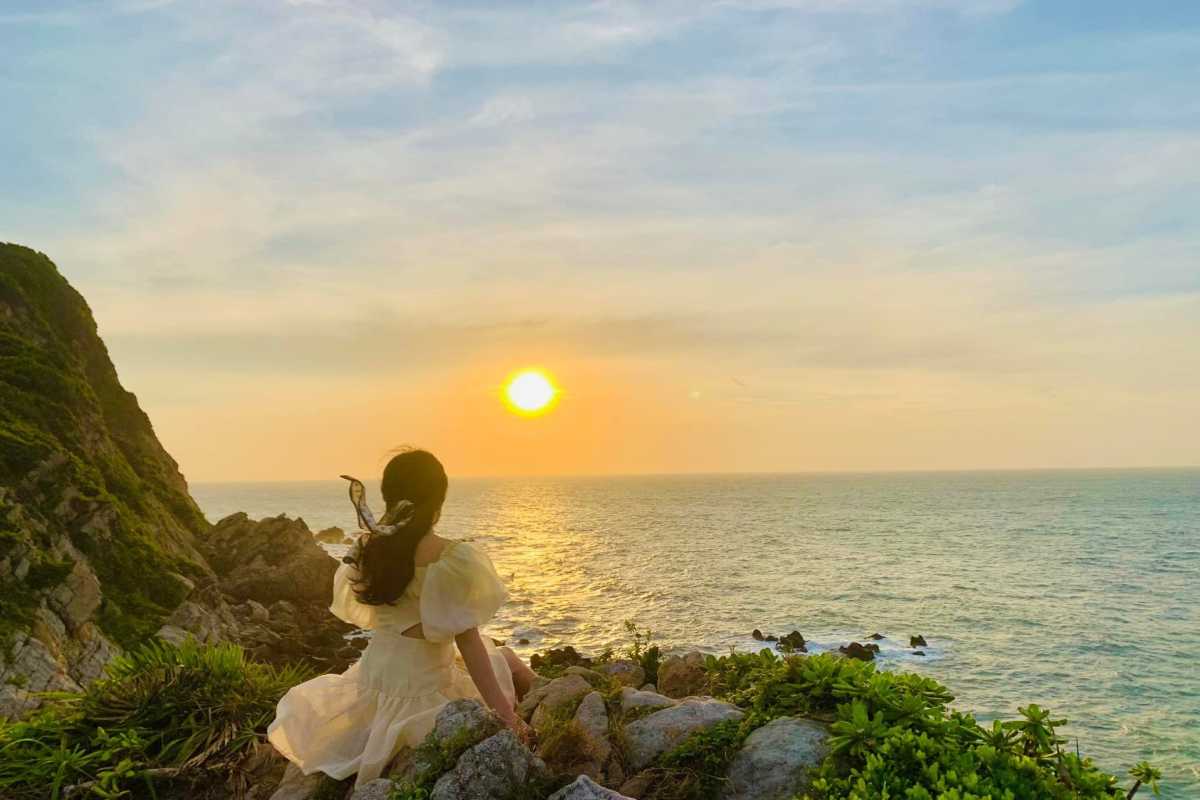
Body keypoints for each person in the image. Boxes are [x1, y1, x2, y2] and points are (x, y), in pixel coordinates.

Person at [267, 448, 537, 787]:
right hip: (424, 688)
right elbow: (468, 642)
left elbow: (372, 615)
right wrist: (508, 718)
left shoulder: (368, 548)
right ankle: (555, 703)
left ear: (389, 496)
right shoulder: (451, 557)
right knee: (505, 660)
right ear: (438, 499)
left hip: (374, 677)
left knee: (501, 657)